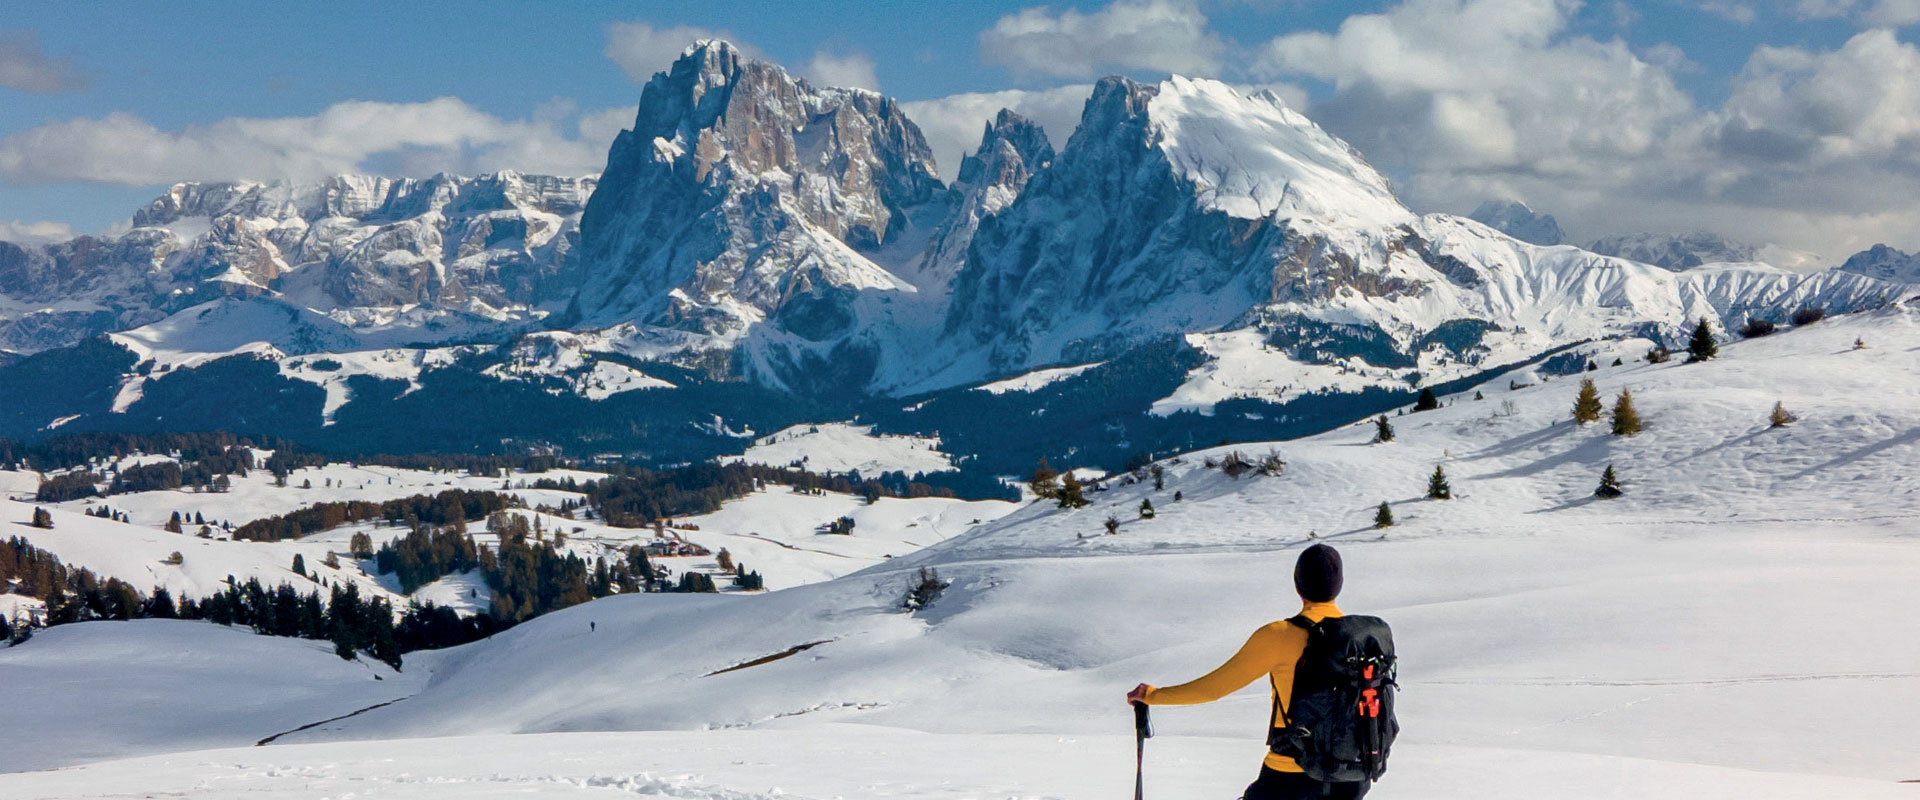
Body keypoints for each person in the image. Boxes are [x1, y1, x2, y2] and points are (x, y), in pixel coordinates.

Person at [1127, 543, 1367, 800]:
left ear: (1298, 585)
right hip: (1352, 777)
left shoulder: (1279, 636)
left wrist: (1152, 695)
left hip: (1290, 777)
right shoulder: (1364, 639)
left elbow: (1213, 689)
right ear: (1339, 584)